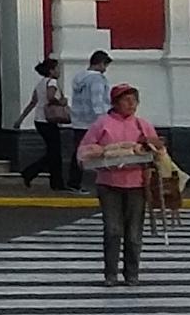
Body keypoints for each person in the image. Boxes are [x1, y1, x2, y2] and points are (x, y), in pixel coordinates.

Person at [74, 83, 164, 285]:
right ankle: (111, 274)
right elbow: (83, 152)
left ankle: (132, 273)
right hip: (109, 185)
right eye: (126, 100)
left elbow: (158, 152)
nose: (132, 104)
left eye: (135, 100)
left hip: (137, 185)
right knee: (113, 230)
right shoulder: (102, 124)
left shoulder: (143, 125)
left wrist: (153, 150)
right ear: (115, 103)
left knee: (134, 234)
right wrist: (101, 151)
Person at [11, 57, 74, 190]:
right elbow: (51, 97)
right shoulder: (52, 82)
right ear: (51, 70)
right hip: (48, 120)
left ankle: (46, 178)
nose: (59, 71)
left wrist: (21, 119)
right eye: (57, 68)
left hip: (39, 120)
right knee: (54, 153)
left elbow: (33, 102)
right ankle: (35, 174)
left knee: (53, 152)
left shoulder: (40, 83)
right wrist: (61, 102)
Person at [65, 50, 114, 192]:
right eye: (105, 65)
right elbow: (97, 101)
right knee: (104, 151)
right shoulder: (97, 79)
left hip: (79, 121)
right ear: (100, 63)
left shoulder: (79, 77)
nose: (105, 69)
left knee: (78, 152)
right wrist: (104, 119)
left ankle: (73, 182)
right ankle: (106, 181)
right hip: (94, 123)